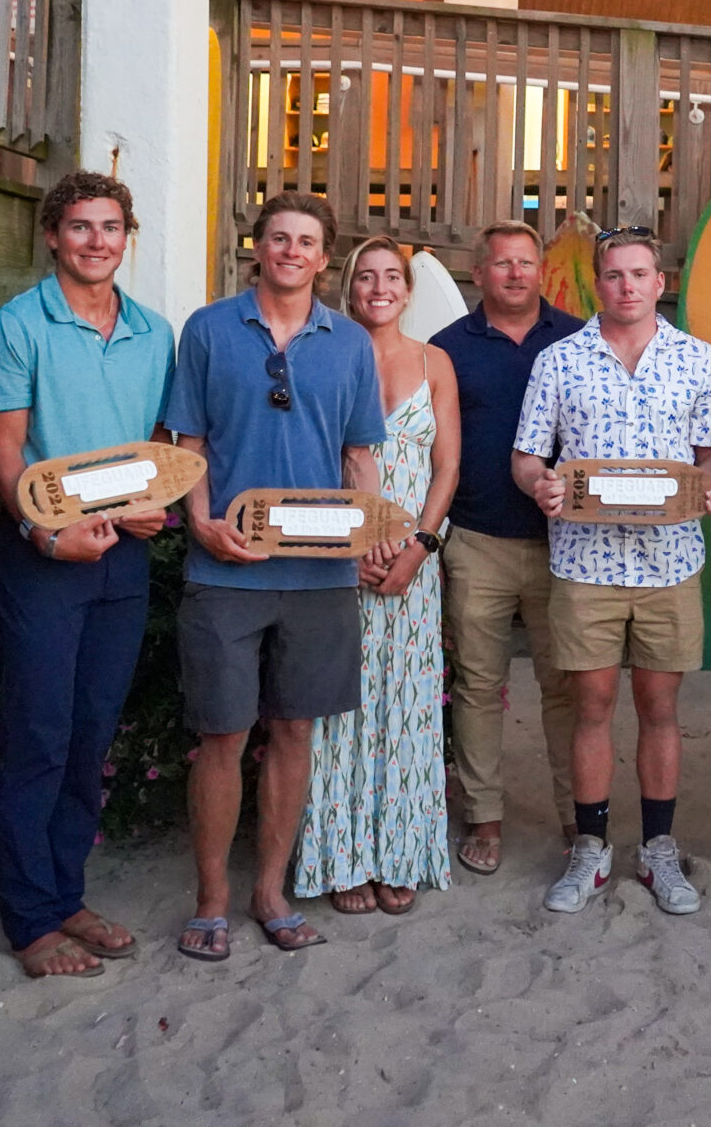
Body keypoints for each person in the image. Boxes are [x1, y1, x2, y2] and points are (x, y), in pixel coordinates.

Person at [163, 192, 385, 961]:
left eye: (307, 241)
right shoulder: (208, 329)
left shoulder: (350, 343)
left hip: (321, 577)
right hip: (226, 569)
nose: (291, 250)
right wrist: (199, 522)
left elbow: (361, 454)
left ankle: (269, 891)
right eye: (279, 237)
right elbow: (186, 440)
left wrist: (375, 530)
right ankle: (211, 901)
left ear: (326, 258)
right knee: (221, 735)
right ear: (258, 247)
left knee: (294, 731)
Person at [0, 173, 174, 981]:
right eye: (81, 226)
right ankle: (30, 919)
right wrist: (47, 536)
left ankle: (66, 894)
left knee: (90, 735)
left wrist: (153, 505)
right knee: (40, 737)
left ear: (128, 237)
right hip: (43, 560)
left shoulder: (152, 332)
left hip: (119, 555)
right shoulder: (15, 328)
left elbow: (154, 443)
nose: (97, 240)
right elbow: (2, 449)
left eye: (111, 226)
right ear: (53, 235)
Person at [511, 224, 711, 916]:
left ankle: (660, 848)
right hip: (585, 563)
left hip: (669, 563)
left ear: (660, 282)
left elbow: (710, 459)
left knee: (662, 708)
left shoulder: (699, 361)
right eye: (614, 274)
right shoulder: (559, 360)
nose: (627, 285)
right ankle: (592, 846)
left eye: (640, 273)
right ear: (598, 281)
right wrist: (541, 486)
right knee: (592, 708)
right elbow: (527, 456)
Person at [294, 237, 460, 916]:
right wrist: (346, 547)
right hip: (341, 563)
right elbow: (306, 458)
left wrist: (421, 545)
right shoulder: (324, 354)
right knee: (342, 710)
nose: (379, 286)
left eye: (392, 275)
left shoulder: (435, 361)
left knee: (408, 709)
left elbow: (447, 466)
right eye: (366, 275)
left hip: (414, 566)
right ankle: (343, 856)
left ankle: (400, 851)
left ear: (407, 289)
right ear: (348, 286)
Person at [429, 223, 583, 876]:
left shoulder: (579, 338)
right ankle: (485, 816)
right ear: (478, 271)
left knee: (567, 688)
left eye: (526, 263)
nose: (516, 273)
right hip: (478, 540)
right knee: (478, 686)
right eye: (502, 264)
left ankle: (582, 814)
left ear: (540, 269)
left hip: (566, 545)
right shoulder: (446, 349)